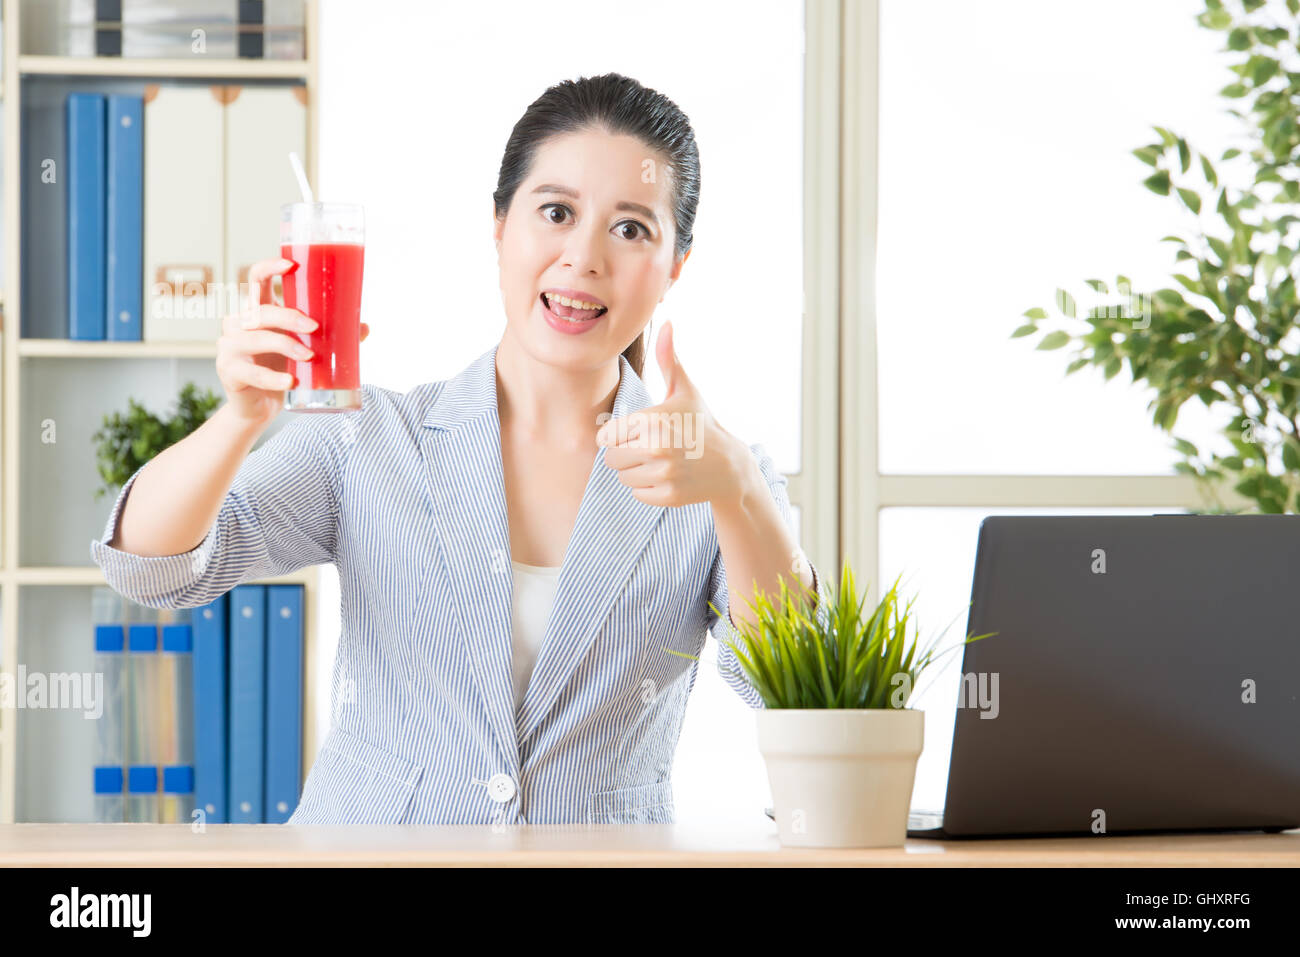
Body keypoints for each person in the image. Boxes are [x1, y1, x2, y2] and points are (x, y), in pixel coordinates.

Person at [91, 72, 828, 825]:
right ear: (501, 226)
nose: (583, 257)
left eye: (631, 227)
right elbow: (151, 568)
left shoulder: (717, 475)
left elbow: (804, 694)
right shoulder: (367, 437)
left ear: (676, 264)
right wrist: (239, 418)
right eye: (556, 211)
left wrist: (737, 488)